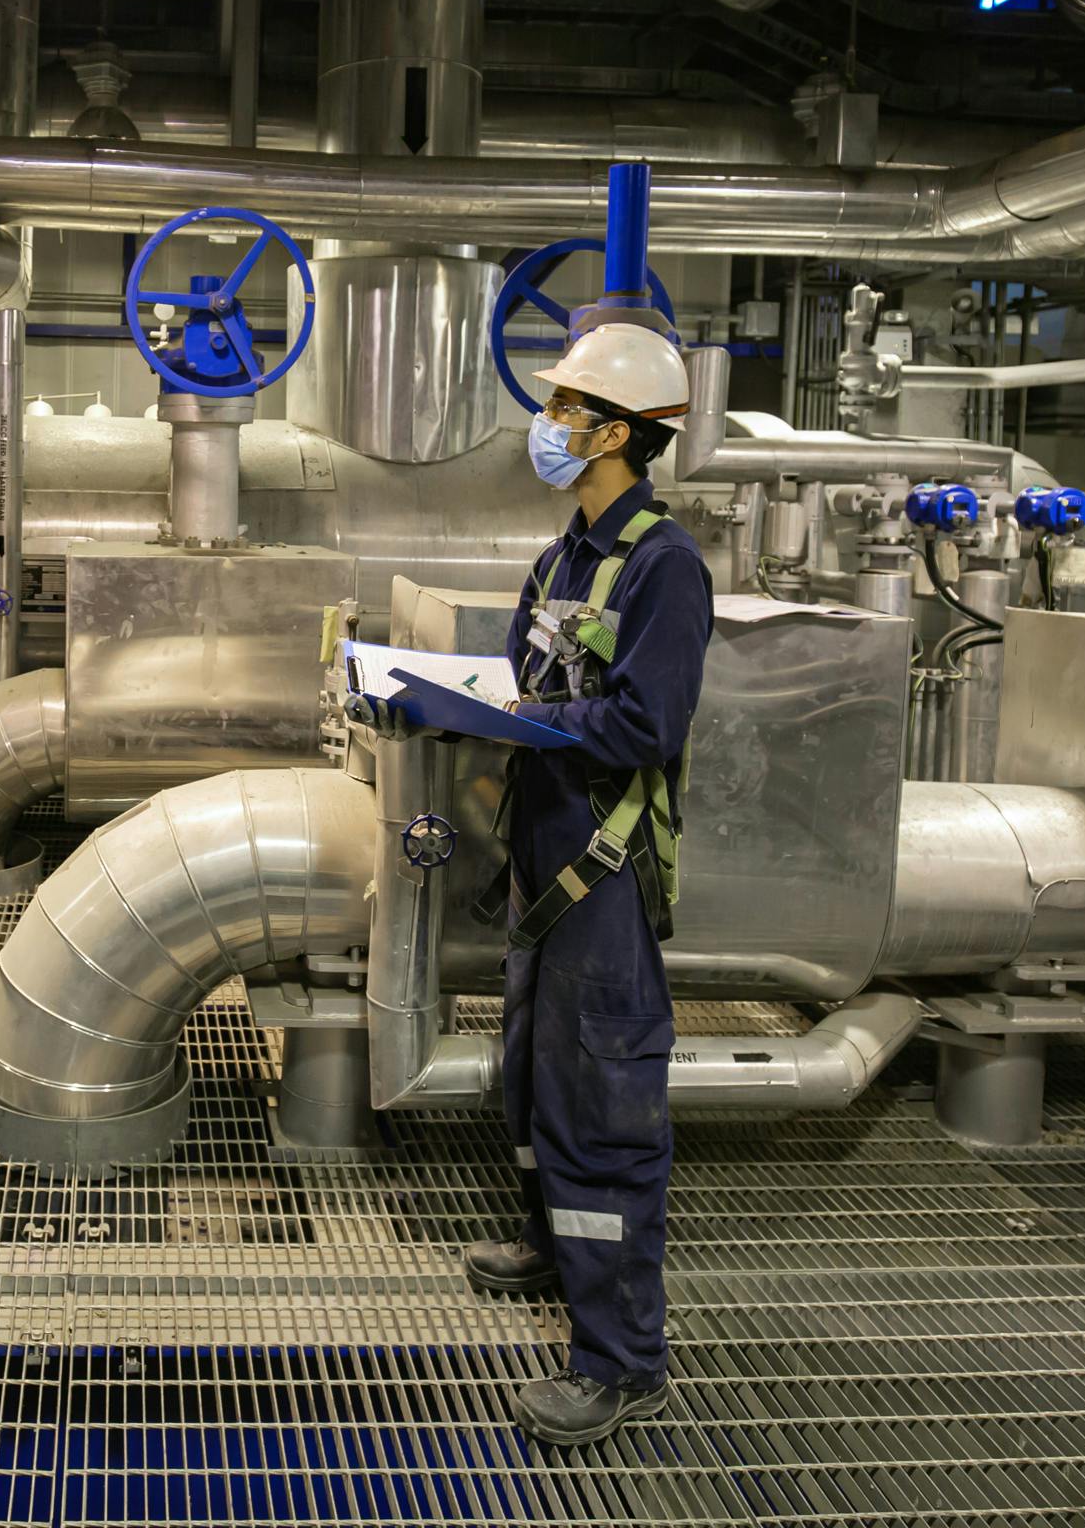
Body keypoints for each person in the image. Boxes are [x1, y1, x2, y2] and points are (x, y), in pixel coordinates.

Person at [467, 321, 712, 1445]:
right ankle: (555, 1245)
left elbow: (646, 722)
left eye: (568, 408)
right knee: (534, 1079)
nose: (550, 423)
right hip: (541, 863)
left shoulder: (665, 564)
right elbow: (521, 670)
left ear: (616, 432)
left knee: (606, 1108)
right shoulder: (565, 552)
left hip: (602, 874)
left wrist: (528, 717)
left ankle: (623, 1362)